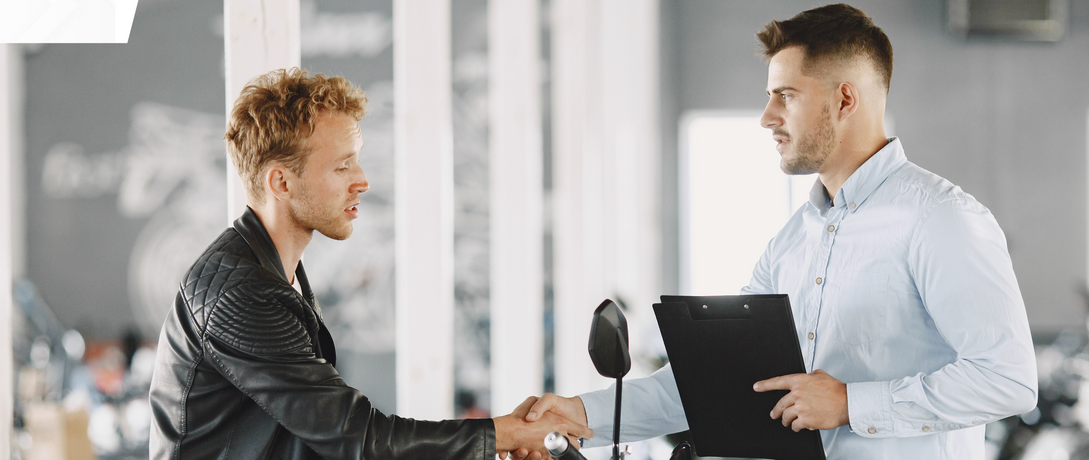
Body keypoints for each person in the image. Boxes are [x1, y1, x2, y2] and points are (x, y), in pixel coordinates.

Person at [516, 5, 1037, 459]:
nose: (767, 117)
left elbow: (1008, 380)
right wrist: (577, 413)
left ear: (845, 100)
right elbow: (714, 383)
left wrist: (852, 403)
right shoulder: (790, 243)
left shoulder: (940, 219)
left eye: (785, 95)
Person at [148, 68, 588, 460]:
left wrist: (499, 442)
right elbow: (359, 439)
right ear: (280, 181)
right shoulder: (242, 294)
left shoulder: (271, 272)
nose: (362, 181)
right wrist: (506, 434)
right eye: (342, 167)